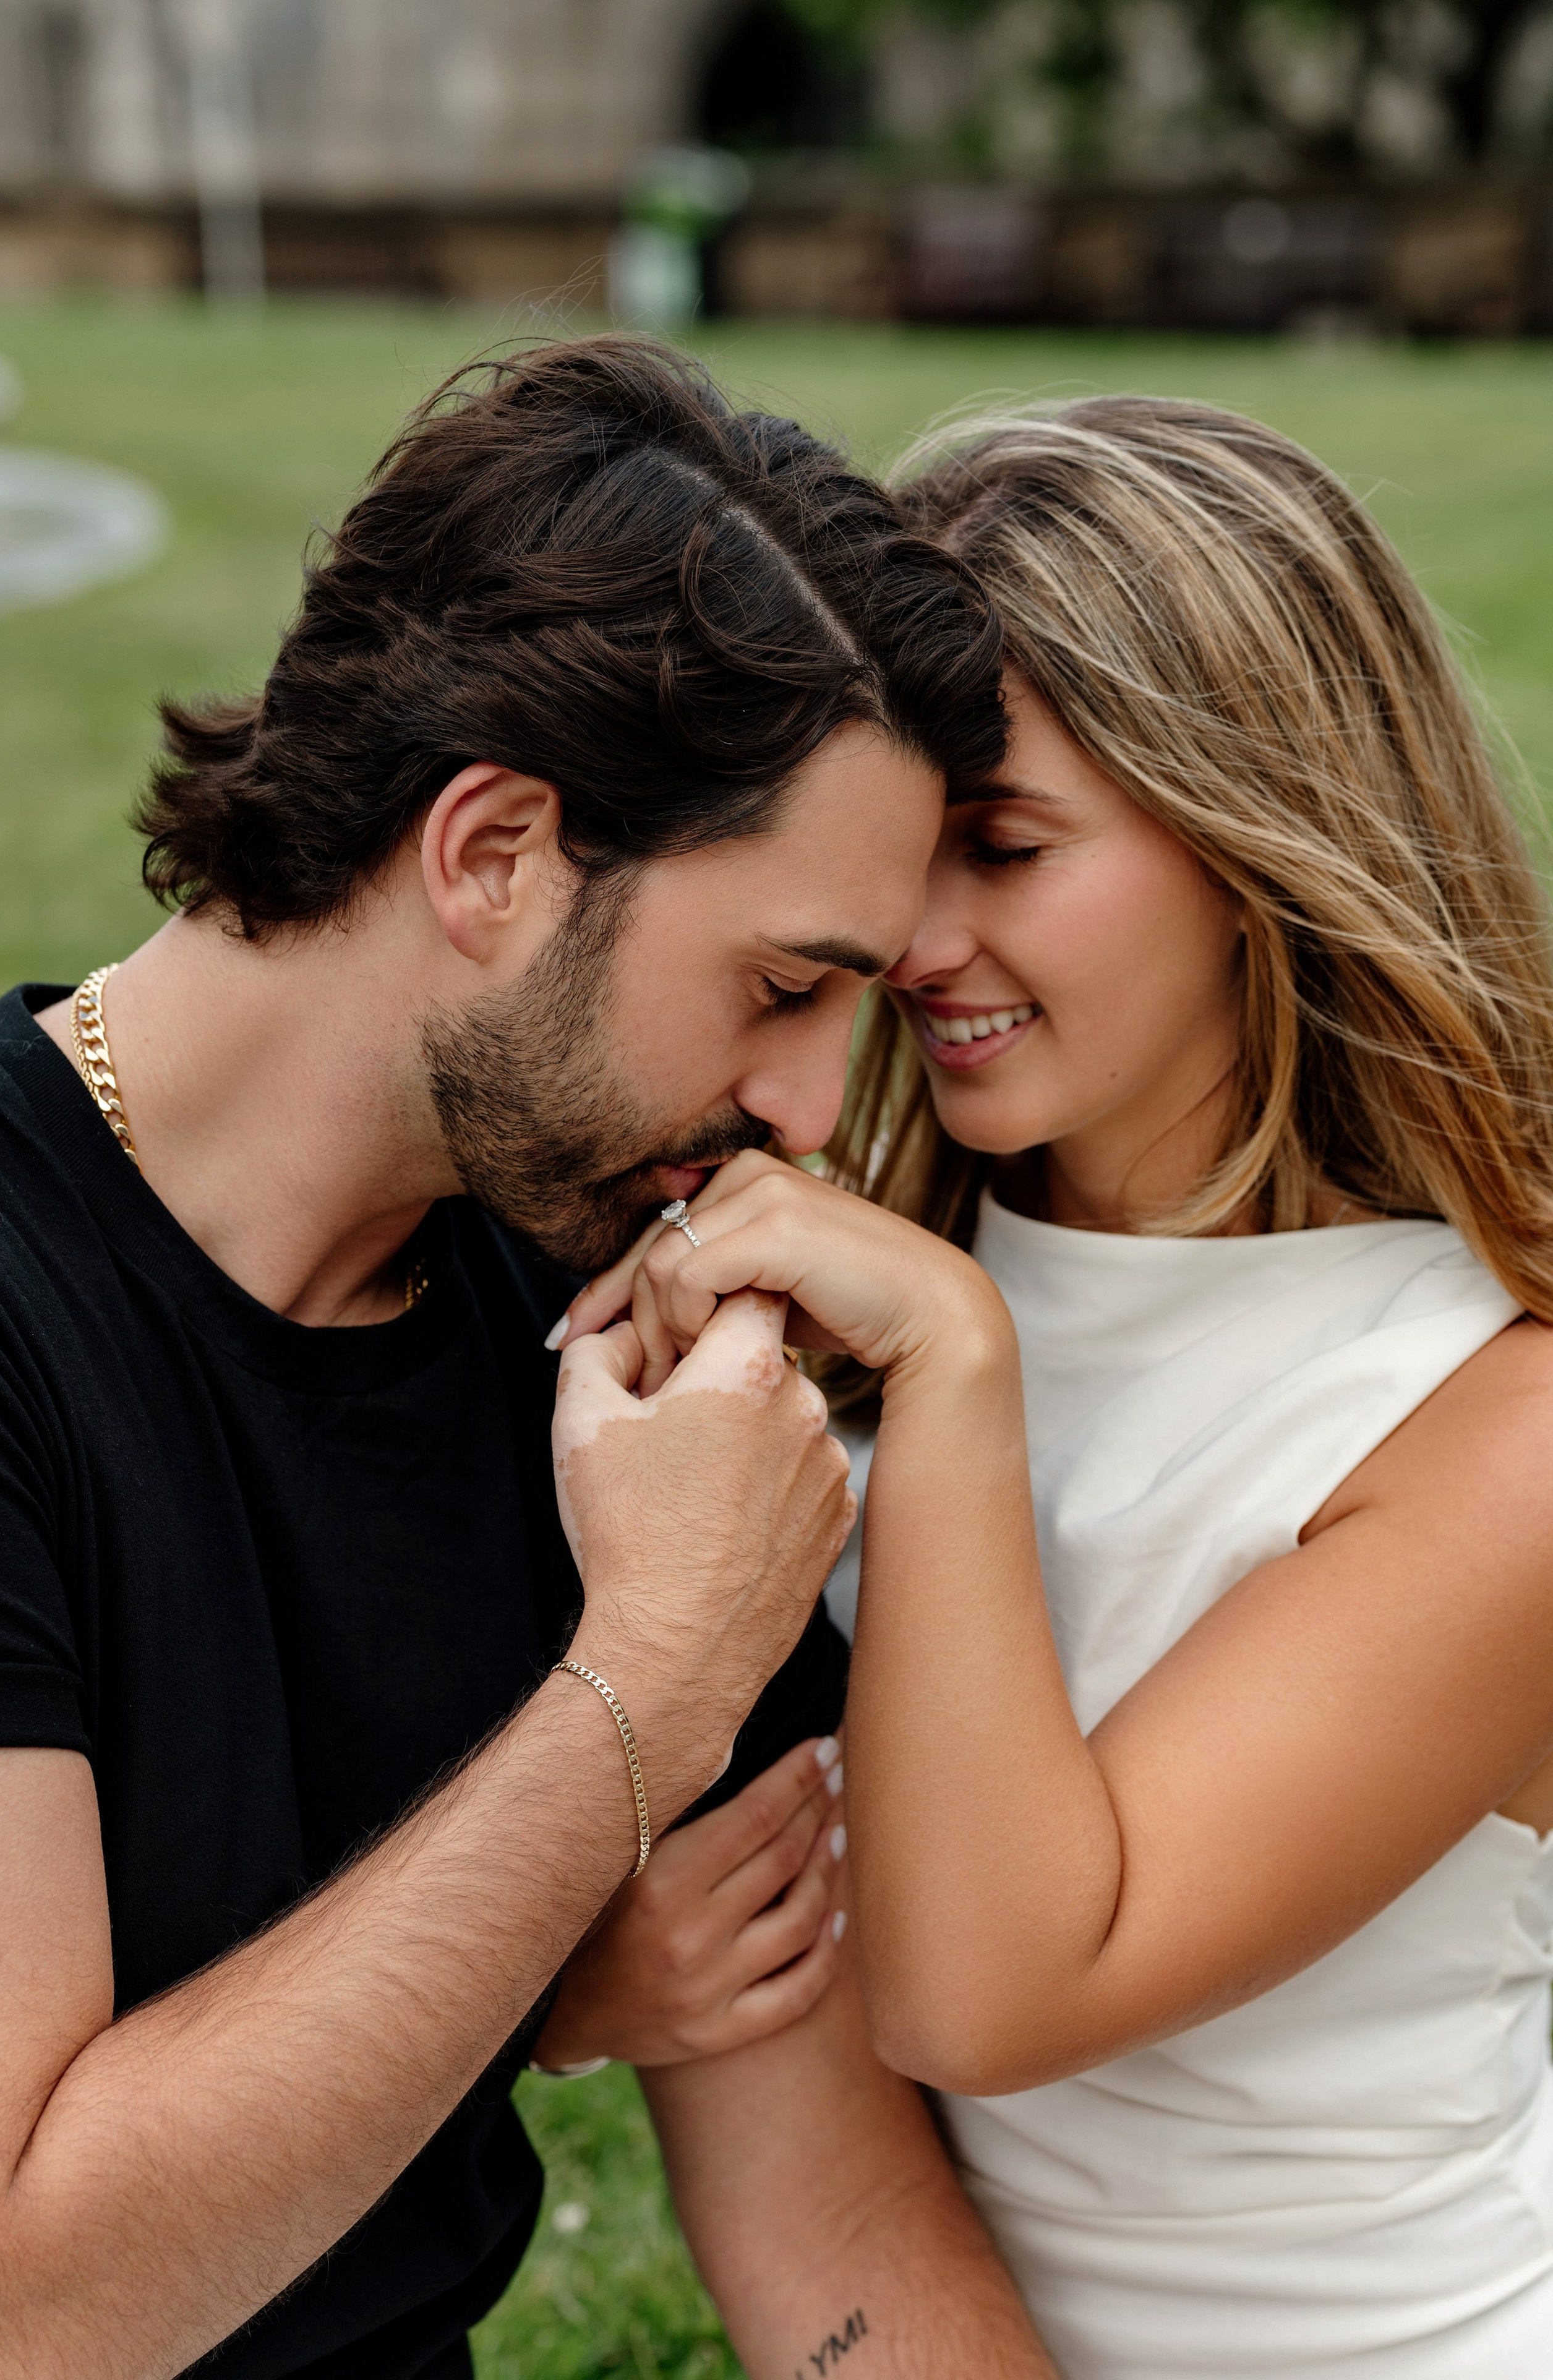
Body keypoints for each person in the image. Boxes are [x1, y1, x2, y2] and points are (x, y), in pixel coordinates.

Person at [0, 336, 1053, 2379]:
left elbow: (826, 2217)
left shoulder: (615, 1326)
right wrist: (649, 1677)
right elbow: (17, 2302)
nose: (816, 1112)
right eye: (781, 984)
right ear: (491, 853)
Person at [563, 396, 1553, 2376]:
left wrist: (953, 1367)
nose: (919, 942)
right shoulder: (844, 1291)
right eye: (902, 856)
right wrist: (570, 1982)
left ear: (1262, 833)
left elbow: (995, 1991)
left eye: (1005, 848)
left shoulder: (1490, 1422)